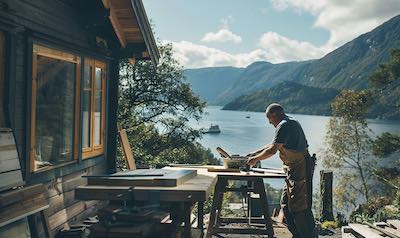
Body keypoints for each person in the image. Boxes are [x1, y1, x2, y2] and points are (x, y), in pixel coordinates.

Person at [246, 103, 316, 238]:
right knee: (286, 206)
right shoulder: (289, 123)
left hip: (300, 172)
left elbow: (272, 150)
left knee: (300, 208)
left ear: (275, 114)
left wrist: (255, 160)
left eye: (269, 118)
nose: (269, 122)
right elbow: (273, 144)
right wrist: (254, 153)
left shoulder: (284, 125)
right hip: (292, 172)